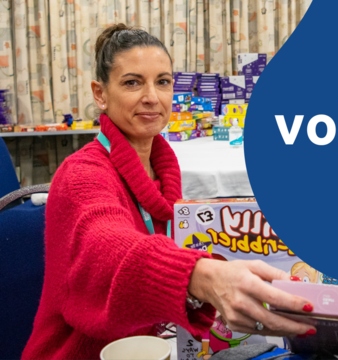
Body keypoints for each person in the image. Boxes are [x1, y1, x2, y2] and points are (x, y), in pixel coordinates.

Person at [22, 24, 315, 360]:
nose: (152, 97)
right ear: (100, 94)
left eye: (162, 81)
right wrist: (198, 275)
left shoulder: (163, 170)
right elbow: (106, 244)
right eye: (132, 82)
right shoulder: (81, 175)